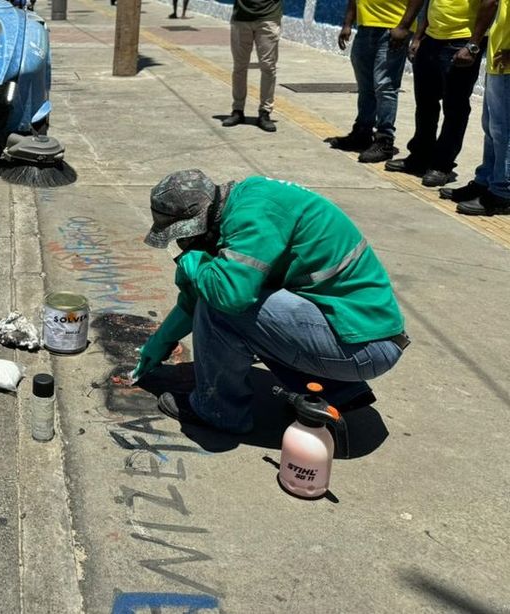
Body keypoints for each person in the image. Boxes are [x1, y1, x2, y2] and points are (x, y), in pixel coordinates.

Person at [131, 169, 410, 435]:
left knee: (222, 302)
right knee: (231, 293)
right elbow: (195, 297)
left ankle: (218, 411)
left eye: (184, 237)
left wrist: (195, 265)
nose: (184, 245)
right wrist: (162, 340)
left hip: (364, 347)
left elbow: (227, 297)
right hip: (358, 335)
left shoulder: (251, 219)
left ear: (199, 222)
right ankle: (336, 391)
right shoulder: (244, 200)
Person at [386, 0, 498, 187]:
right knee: (425, 102)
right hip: (431, 39)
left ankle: (442, 165)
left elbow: (490, 3)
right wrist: (419, 37)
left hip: (462, 41)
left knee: (454, 108)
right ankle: (420, 156)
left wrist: (472, 46)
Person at [326, 0, 424, 164]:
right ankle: (362, 133)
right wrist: (347, 23)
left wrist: (403, 27)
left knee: (385, 86)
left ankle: (384, 140)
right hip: (365, 28)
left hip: (393, 28)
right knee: (365, 85)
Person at [441, 0, 510, 215]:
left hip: (507, 63)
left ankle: (502, 193)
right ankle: (486, 181)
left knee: (504, 131)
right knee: (491, 128)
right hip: (498, 61)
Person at [220, 0, 283, 132]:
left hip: (268, 17)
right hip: (241, 18)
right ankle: (237, 110)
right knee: (239, 67)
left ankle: (265, 112)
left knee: (268, 67)